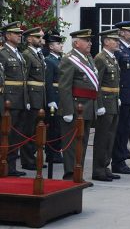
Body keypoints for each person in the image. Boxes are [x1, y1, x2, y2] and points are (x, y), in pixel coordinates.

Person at [59, 29, 98, 180]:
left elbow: (94, 84)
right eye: (86, 40)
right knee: (72, 143)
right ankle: (70, 173)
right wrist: (68, 110)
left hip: (87, 107)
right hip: (75, 107)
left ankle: (78, 173)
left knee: (82, 142)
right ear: (76, 43)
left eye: (90, 40)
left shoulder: (88, 58)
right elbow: (64, 86)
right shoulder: (69, 59)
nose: (90, 43)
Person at [92, 29, 121, 182]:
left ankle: (105, 166)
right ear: (106, 42)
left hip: (114, 101)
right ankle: (98, 170)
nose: (117, 42)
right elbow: (96, 83)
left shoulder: (112, 58)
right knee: (102, 137)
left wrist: (118, 97)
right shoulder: (100, 58)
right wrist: (99, 104)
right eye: (114, 40)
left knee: (110, 136)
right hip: (105, 101)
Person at [0, 22, 28, 177]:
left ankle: (11, 166)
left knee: (16, 135)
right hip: (8, 100)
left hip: (20, 99)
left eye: (20, 33)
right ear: (7, 35)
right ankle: (4, 165)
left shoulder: (18, 53)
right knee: (6, 134)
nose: (19, 35)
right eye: (16, 33)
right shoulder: (3, 53)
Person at [111, 21, 130, 175]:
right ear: (121, 32)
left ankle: (121, 160)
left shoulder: (129, 49)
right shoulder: (118, 50)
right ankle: (117, 162)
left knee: (126, 130)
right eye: (129, 31)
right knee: (120, 131)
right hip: (122, 96)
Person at [20, 27, 46, 171]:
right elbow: (25, 79)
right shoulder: (27, 55)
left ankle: (33, 157)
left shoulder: (38, 54)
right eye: (38, 37)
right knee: (28, 130)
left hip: (40, 96)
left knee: (37, 130)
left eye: (41, 37)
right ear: (29, 39)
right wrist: (27, 100)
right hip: (32, 96)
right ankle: (27, 160)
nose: (41, 40)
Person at [44, 29, 65, 163]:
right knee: (53, 127)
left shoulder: (61, 60)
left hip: (62, 96)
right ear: (51, 46)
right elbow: (49, 82)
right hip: (55, 97)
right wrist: (51, 100)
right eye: (58, 44)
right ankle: (52, 153)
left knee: (60, 127)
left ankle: (58, 151)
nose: (61, 45)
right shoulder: (49, 61)